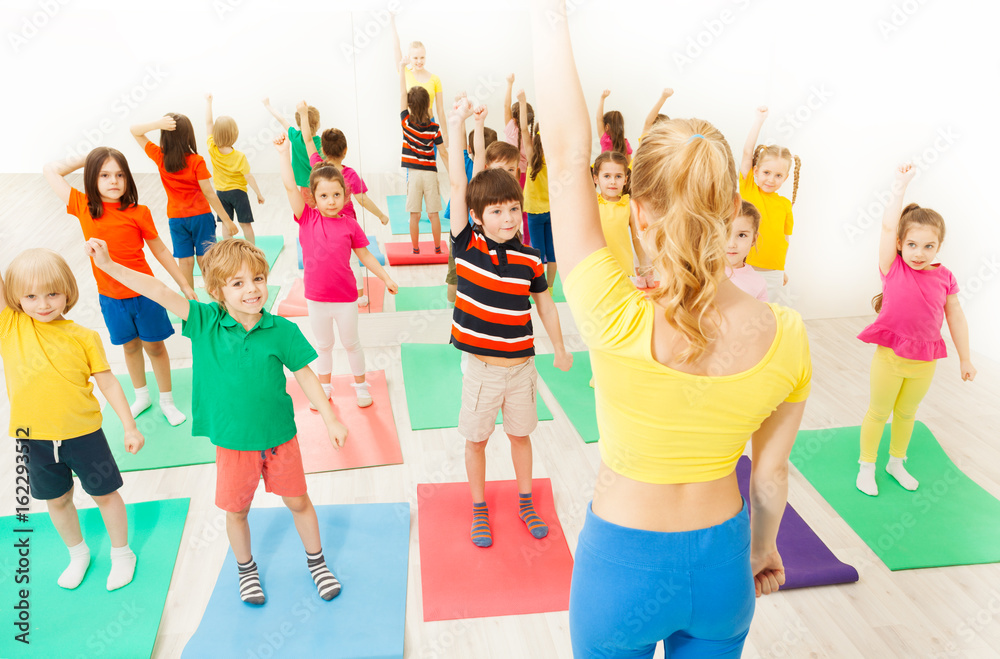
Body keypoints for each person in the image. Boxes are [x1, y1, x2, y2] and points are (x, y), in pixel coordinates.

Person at [530, 1, 812, 656]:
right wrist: (764, 549)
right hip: (721, 571)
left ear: (639, 211)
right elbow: (770, 478)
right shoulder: (787, 332)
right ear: (728, 211)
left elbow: (569, 152)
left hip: (620, 573)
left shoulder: (610, 308)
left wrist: (548, 16)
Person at [85, 236, 347, 605]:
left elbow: (305, 374)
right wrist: (110, 266)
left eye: (257, 279)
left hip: (279, 438)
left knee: (299, 502)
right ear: (217, 291)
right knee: (237, 511)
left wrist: (331, 419)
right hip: (233, 444)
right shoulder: (204, 320)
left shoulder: (282, 330)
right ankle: (246, 570)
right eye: (237, 283)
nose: (251, 290)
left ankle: (317, 563)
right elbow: (158, 289)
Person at [447, 98, 573, 548]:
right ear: (478, 217)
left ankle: (524, 499)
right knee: (477, 441)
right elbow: (461, 181)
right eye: (496, 212)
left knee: (521, 437)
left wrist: (559, 347)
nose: (507, 219)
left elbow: (546, 306)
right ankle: (479, 506)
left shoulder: (530, 257)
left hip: (521, 367)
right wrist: (461, 124)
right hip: (481, 371)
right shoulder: (467, 244)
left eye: (513, 210)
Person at [1, 249, 143, 591]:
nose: (43, 303)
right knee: (57, 499)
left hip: (83, 435)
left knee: (106, 495)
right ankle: (77, 553)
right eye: (31, 296)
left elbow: (107, 381)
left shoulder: (83, 337)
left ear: (67, 291)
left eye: (53, 293)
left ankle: (122, 553)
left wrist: (129, 425)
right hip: (33, 437)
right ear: (15, 298)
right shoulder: (11, 325)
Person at [43, 147, 195, 425]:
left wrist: (184, 284)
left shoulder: (139, 212)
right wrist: (87, 158)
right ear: (92, 177)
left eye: (120, 175)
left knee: (156, 348)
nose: (114, 181)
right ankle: (142, 396)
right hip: (111, 299)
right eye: (104, 175)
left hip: (146, 295)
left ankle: (167, 400)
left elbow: (160, 251)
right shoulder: (83, 206)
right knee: (130, 348)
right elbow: (50, 170)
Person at [855, 164, 976, 496]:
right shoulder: (892, 267)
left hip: (925, 361)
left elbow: (956, 318)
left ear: (938, 246)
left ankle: (896, 462)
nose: (919, 253)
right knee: (879, 411)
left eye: (928, 246)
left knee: (907, 413)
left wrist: (965, 359)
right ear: (899, 243)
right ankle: (866, 466)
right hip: (890, 358)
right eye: (912, 245)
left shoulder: (945, 277)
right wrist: (900, 186)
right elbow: (885, 225)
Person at [276, 133, 398, 408]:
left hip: (345, 300)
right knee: (324, 346)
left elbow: (365, 254)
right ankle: (325, 387)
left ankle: (361, 386)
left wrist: (385, 277)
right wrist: (284, 154)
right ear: (313, 197)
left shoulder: (350, 225)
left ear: (345, 195)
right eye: (323, 195)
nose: (331, 200)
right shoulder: (306, 218)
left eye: (336, 195)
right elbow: (288, 187)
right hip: (317, 300)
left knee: (352, 343)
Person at [298, 104, 391, 306]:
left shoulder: (318, 167)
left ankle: (333, 290)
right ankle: (359, 297)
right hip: (345, 228)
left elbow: (306, 139)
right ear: (345, 150)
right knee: (350, 261)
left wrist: (304, 115)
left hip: (323, 227)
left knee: (331, 259)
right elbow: (363, 200)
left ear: (322, 150)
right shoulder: (349, 174)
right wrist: (381, 215)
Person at [131, 114, 238, 288]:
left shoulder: (160, 157)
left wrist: (157, 123)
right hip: (201, 217)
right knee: (207, 260)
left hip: (176, 219)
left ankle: (190, 303)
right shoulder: (196, 161)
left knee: (185, 261)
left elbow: (134, 131)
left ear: (164, 136)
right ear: (189, 136)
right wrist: (227, 220)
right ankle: (215, 299)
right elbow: (209, 193)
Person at [739, 106, 801, 302]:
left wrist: (782, 269)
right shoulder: (749, 189)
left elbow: (784, 238)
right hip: (745, 265)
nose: (771, 179)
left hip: (773, 270)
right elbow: (748, 152)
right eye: (766, 173)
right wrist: (759, 120)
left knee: (766, 313)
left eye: (778, 175)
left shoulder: (784, 204)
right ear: (756, 171)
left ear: (785, 177)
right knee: (742, 309)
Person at [399, 56, 449, 254]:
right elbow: (443, 152)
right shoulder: (434, 127)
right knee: (434, 214)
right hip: (430, 174)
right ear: (428, 104)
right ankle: (437, 248)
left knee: (414, 215)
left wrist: (402, 69)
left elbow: (402, 94)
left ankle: (415, 249)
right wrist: (454, 174)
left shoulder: (406, 123)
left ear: (410, 105)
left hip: (415, 174)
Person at [205, 94, 265, 245]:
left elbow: (208, 123)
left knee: (226, 223)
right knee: (245, 224)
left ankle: (228, 248)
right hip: (238, 193)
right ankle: (252, 249)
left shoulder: (212, 148)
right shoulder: (239, 156)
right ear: (234, 134)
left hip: (221, 193)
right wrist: (258, 194)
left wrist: (208, 102)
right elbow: (249, 177)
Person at [390, 12, 447, 144]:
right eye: (415, 58)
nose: (419, 61)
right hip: (412, 125)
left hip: (430, 125)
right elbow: (395, 47)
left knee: (431, 163)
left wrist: (445, 133)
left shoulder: (435, 79)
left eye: (422, 57)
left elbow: (440, 110)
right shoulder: (405, 72)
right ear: (409, 58)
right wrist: (392, 21)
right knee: (413, 164)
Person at [520, 91, 557, 287]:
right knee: (552, 254)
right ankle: (549, 288)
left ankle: (539, 287)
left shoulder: (533, 158)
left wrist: (523, 102)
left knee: (538, 253)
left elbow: (524, 131)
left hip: (534, 211)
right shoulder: (554, 159)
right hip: (551, 210)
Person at [592, 150, 645, 282]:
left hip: (622, 269)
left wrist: (644, 263)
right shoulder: (592, 203)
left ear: (626, 179)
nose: (613, 182)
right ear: (596, 178)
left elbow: (636, 238)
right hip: (596, 268)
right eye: (607, 176)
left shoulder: (628, 205)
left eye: (618, 176)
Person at [262, 97, 322, 207]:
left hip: (305, 185)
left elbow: (281, 119)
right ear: (318, 123)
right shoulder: (322, 143)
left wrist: (267, 105)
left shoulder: (295, 137)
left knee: (308, 212)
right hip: (321, 184)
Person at [503, 73, 532, 244]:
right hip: (525, 177)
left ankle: (511, 239)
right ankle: (526, 243)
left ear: (514, 117)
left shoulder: (510, 129)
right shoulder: (531, 138)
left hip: (512, 175)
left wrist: (509, 84)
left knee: (512, 208)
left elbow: (506, 105)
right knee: (526, 211)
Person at [726, 201, 769, 302]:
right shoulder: (701, 273)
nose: (731, 244)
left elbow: (763, 315)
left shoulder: (758, 282)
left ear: (753, 239)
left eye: (741, 235)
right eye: (724, 233)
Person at [595, 89, 633, 161]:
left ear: (607, 126)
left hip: (605, 170)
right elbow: (628, 165)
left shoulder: (605, 139)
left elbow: (598, 119)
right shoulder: (625, 143)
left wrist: (602, 99)